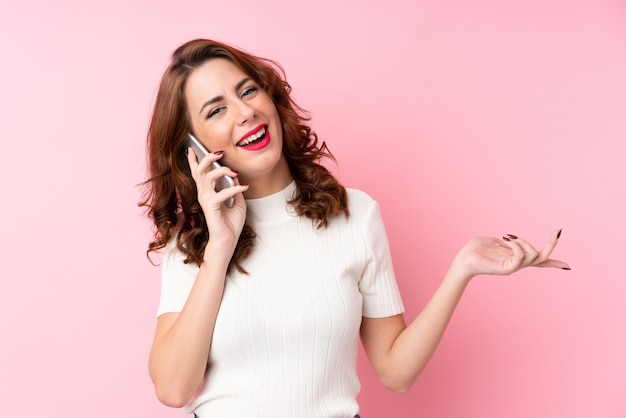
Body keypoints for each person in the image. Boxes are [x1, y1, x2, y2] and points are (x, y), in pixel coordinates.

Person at [140, 39, 570, 418]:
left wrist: (463, 268)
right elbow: (174, 389)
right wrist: (220, 247)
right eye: (216, 110)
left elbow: (395, 372)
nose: (245, 111)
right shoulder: (193, 241)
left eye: (248, 90)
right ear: (194, 149)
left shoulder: (355, 214)